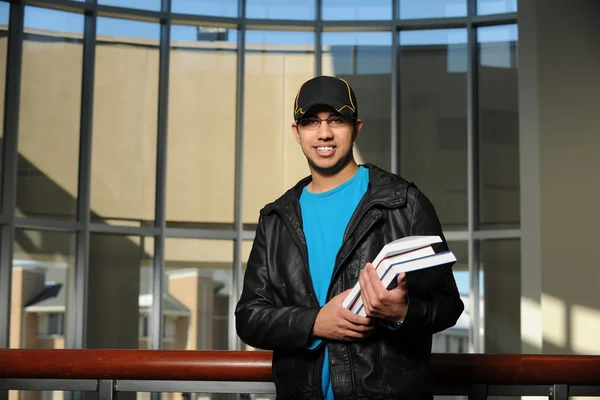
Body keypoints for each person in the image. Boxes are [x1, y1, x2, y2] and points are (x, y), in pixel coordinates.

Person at [235, 76, 464, 400]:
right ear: (296, 133)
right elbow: (249, 318)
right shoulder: (276, 219)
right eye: (311, 121)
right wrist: (314, 323)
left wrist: (401, 312)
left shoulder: (404, 203)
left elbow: (448, 304)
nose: (324, 133)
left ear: (356, 128)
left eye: (336, 120)